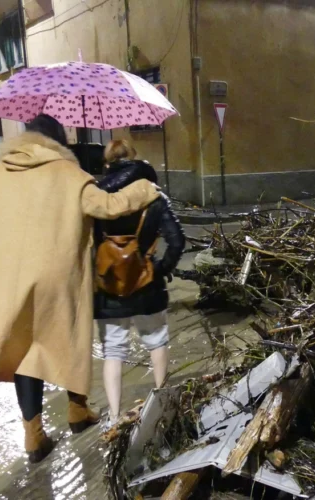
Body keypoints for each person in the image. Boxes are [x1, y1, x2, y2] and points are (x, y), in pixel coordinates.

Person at [0, 115, 161, 463]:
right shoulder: (69, 174)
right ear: (59, 142)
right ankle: (77, 410)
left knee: (26, 349)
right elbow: (108, 206)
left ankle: (34, 436)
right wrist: (146, 188)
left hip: (11, 276)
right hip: (57, 273)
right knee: (67, 337)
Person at [93, 140, 185, 429]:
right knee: (156, 340)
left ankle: (114, 416)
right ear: (135, 160)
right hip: (147, 286)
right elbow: (177, 241)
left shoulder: (94, 197)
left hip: (108, 286)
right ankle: (160, 401)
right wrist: (158, 270)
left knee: (114, 351)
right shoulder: (154, 195)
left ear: (107, 163)